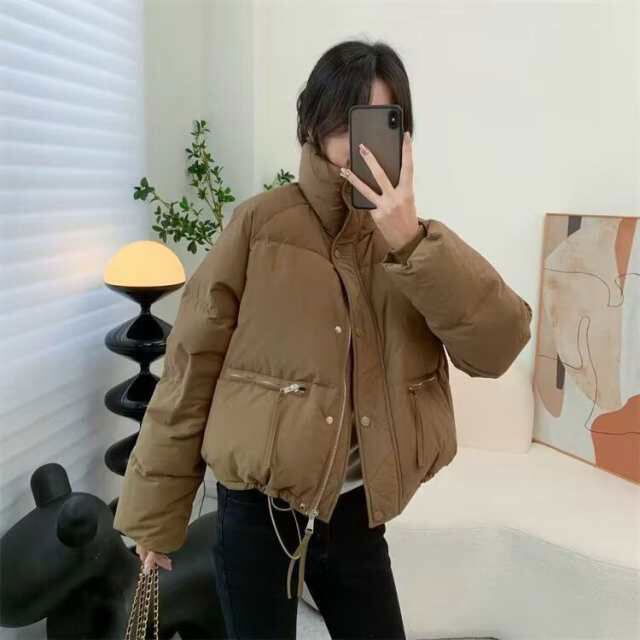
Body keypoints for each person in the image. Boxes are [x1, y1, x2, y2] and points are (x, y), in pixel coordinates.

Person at [113, 38, 532, 639]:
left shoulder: (416, 248)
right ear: (313, 125)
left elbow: (497, 347)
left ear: (403, 135)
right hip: (256, 513)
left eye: (381, 124)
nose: (361, 146)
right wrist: (156, 519)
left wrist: (411, 242)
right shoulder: (259, 226)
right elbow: (190, 368)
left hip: (356, 513)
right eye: (346, 123)